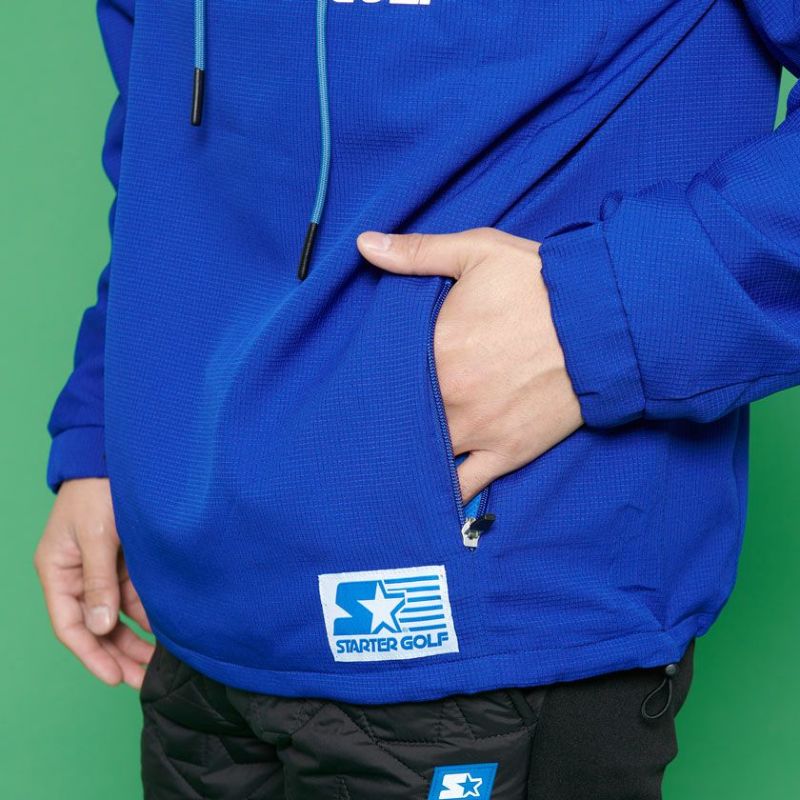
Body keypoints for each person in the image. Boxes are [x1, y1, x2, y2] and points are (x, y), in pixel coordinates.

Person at [34, 1, 800, 798]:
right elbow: (163, 120)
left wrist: (603, 310)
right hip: (197, 596)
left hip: (489, 599)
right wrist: (106, 428)